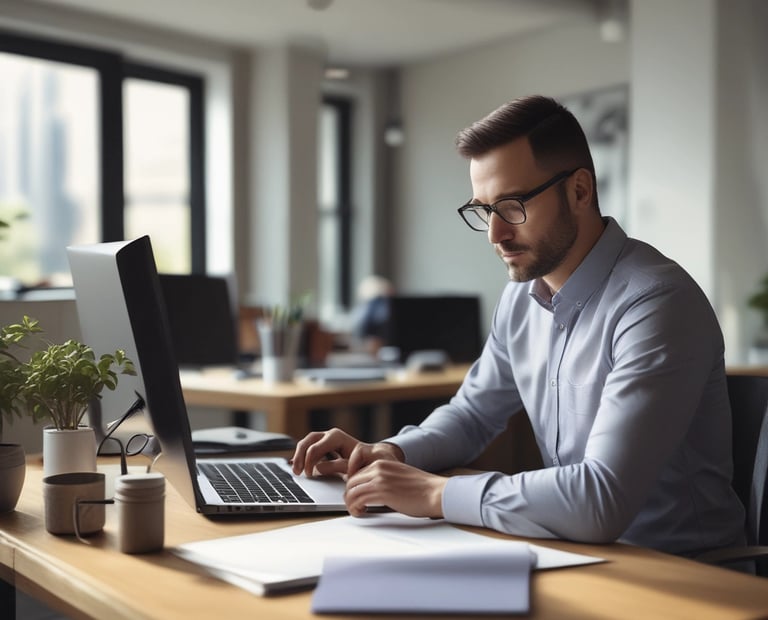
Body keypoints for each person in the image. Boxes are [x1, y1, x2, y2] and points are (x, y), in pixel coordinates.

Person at [291, 94, 746, 557]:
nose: (495, 234)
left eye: (512, 205)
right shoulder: (521, 298)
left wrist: (433, 494)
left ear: (580, 191)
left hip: (680, 574)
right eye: (484, 210)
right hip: (575, 554)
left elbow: (600, 498)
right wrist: (394, 453)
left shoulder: (655, 303)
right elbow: (472, 415)